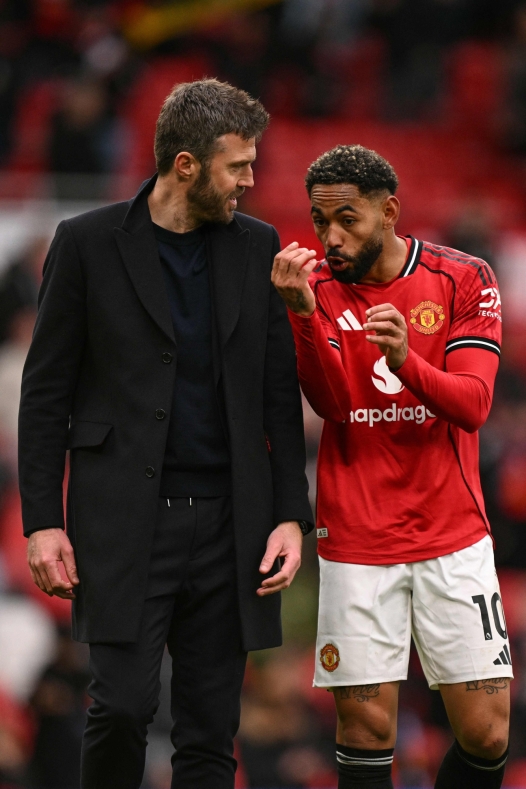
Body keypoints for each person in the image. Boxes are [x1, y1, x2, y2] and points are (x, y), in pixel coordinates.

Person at [18, 78, 313, 789]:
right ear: (186, 165)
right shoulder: (86, 243)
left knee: (211, 732)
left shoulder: (257, 246)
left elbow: (279, 398)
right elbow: (45, 391)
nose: (251, 178)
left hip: (229, 525)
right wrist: (42, 522)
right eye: (238, 163)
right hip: (123, 521)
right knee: (120, 707)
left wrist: (290, 517)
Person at [271, 144, 511, 789]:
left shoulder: (463, 277)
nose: (332, 237)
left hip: (452, 532)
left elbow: (475, 404)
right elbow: (335, 405)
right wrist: (299, 316)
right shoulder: (313, 287)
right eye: (321, 222)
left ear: (390, 211)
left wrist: (407, 360)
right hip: (356, 535)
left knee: (487, 732)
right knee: (366, 732)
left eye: (347, 218)